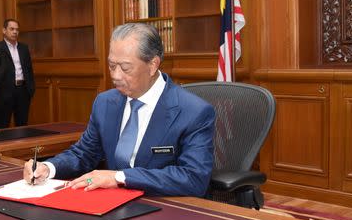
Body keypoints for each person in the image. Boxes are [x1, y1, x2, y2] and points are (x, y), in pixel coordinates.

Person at [23, 23, 215, 197]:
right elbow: (85, 153)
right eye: (111, 65)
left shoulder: (193, 112)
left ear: (152, 65)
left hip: (166, 210)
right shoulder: (105, 103)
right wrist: (48, 167)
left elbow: (193, 178)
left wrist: (119, 178)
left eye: (125, 68)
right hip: (113, 206)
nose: (115, 75)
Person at [1, 19, 35, 126]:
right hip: (6, 91)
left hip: (23, 91)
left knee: (22, 123)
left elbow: (29, 69)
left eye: (17, 30)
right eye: (12, 29)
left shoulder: (24, 48)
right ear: (4, 30)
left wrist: (31, 89)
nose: (15, 32)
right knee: (4, 123)